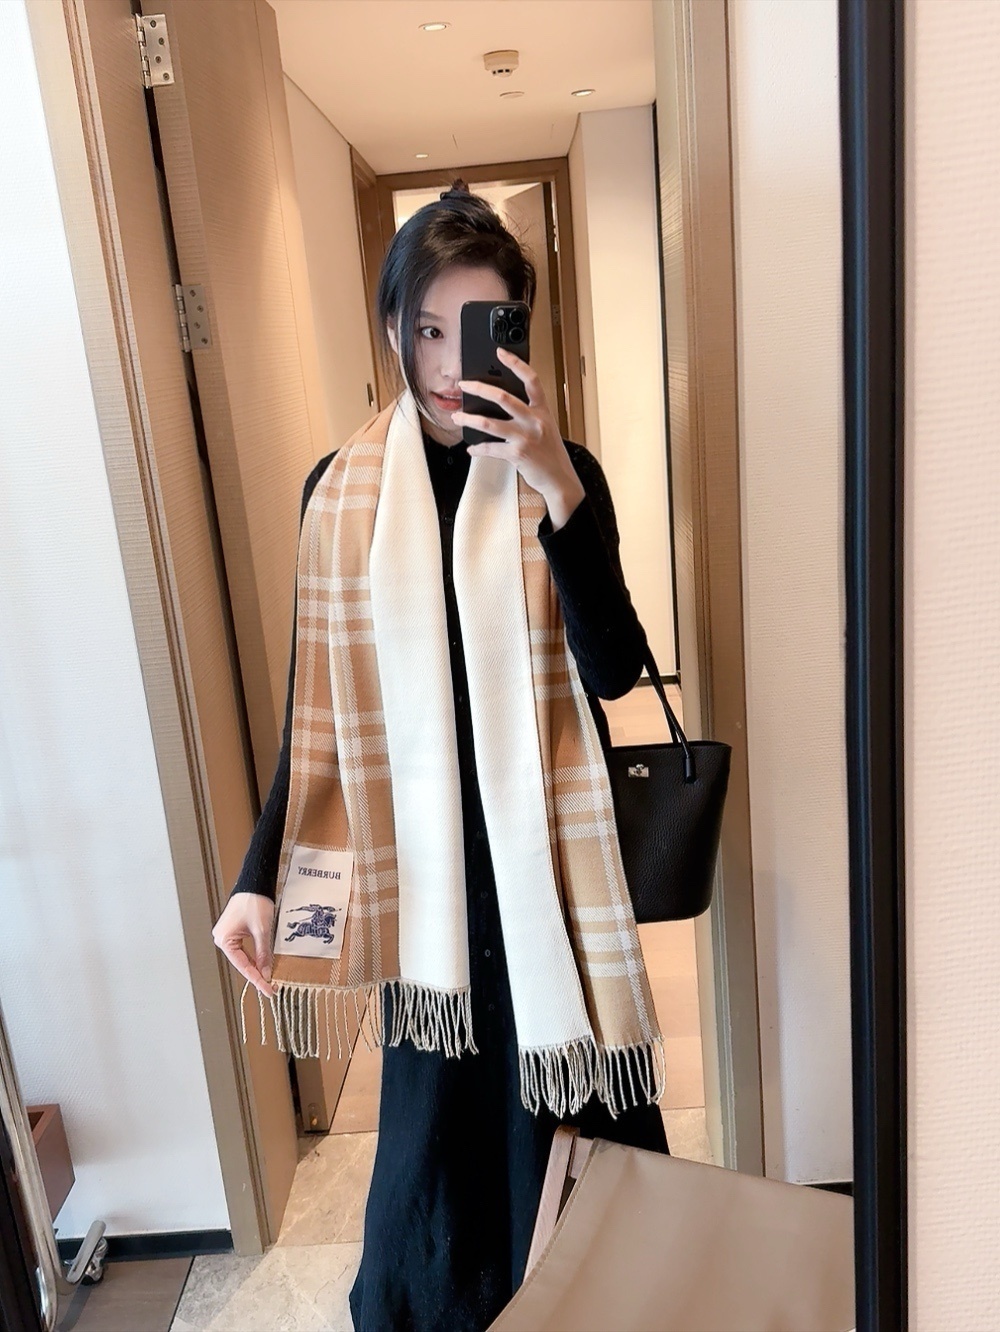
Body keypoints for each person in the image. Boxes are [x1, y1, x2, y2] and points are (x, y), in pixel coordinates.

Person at [211, 181, 668, 1332]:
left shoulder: (564, 472)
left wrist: (556, 483)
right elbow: (316, 713)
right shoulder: (340, 495)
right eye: (426, 329)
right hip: (424, 896)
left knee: (583, 1173)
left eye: (478, 328)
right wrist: (259, 879)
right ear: (391, 330)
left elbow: (615, 669)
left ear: (516, 332)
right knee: (433, 1207)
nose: (448, 361)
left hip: (545, 888)